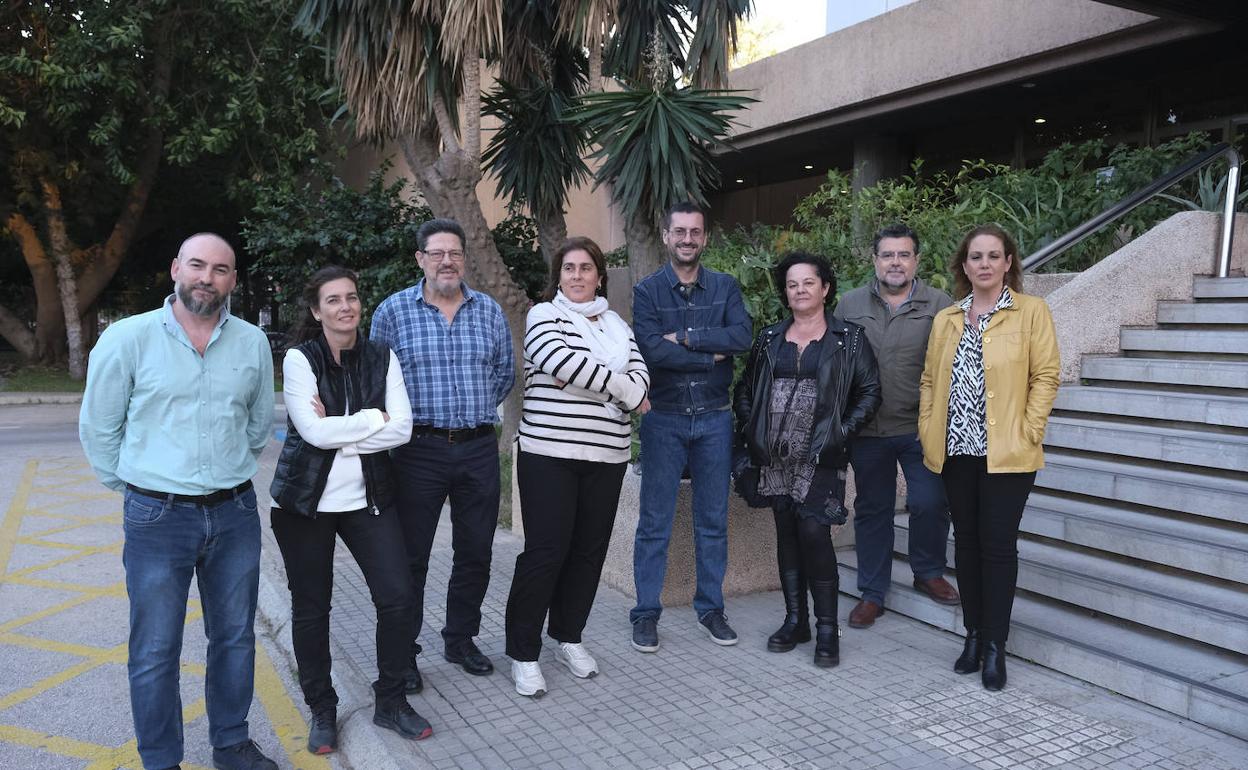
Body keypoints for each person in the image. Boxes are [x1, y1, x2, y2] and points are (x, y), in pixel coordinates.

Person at [79, 233, 278, 770]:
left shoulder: (252, 343)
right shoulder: (128, 338)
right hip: (156, 517)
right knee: (155, 650)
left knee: (234, 637)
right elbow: (99, 429)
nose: (206, 278)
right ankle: (161, 758)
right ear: (175, 269)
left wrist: (223, 472)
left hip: (234, 513)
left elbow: (257, 426)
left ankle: (231, 743)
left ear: (233, 280)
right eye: (197, 265)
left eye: (220, 269)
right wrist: (142, 488)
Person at [268, 266, 431, 749]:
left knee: (398, 596)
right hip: (305, 503)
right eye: (334, 300)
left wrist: (344, 428)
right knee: (312, 609)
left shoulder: (382, 356)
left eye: (352, 297)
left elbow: (403, 428)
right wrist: (370, 419)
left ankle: (391, 700)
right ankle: (322, 707)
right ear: (317, 311)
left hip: (368, 499)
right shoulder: (301, 358)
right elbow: (312, 433)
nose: (346, 307)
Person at [370, 218, 515, 688]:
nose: (447, 261)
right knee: (411, 558)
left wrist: (471, 414)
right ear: (420, 259)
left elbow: (503, 373)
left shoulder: (489, 311)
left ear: (464, 259)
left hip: (477, 450)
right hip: (417, 452)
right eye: (437, 253)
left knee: (475, 551)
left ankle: (460, 640)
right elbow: (377, 381)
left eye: (455, 253)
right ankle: (404, 653)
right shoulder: (393, 312)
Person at [504, 237, 651, 697]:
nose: (577, 275)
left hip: (607, 457)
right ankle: (523, 653)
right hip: (549, 454)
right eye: (569, 267)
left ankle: (568, 635)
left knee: (588, 555)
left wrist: (614, 383)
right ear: (558, 274)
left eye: (586, 267)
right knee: (545, 554)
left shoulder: (616, 324)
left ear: (600, 275)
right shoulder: (544, 316)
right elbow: (562, 363)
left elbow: (642, 371)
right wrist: (625, 392)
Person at [918, 224, 1060, 691]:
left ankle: (996, 646)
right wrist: (927, 430)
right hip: (956, 452)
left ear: (1007, 263)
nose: (984, 264)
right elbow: (930, 382)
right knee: (967, 543)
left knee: (998, 547)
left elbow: (1046, 375)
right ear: (964, 266)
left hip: (1007, 454)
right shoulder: (948, 318)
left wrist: (1030, 429)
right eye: (975, 256)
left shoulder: (1030, 312)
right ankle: (974, 636)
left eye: (993, 256)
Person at [734, 252, 881, 667]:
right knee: (786, 533)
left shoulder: (848, 339)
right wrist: (753, 428)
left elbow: (869, 391)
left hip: (821, 453)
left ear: (825, 288)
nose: (799, 290)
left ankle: (827, 630)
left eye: (808, 283)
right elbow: (745, 390)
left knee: (814, 534)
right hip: (773, 455)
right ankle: (795, 620)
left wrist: (839, 432)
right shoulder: (769, 339)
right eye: (792, 284)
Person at [630, 201, 753, 652]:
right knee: (655, 522)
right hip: (663, 419)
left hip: (715, 419)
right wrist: (711, 351)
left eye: (695, 232)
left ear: (705, 237)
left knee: (712, 521)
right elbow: (650, 352)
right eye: (679, 231)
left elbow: (741, 337)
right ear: (665, 236)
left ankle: (710, 609)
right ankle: (645, 614)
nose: (687, 239)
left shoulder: (725, 287)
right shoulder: (647, 292)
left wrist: (685, 338)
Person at [835, 224, 957, 629]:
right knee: (872, 510)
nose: (895, 262)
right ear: (874, 260)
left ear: (916, 261)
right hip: (868, 431)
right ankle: (872, 592)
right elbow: (835, 363)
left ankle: (927, 572)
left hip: (920, 426)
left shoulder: (940, 304)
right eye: (887, 255)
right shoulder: (849, 305)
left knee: (930, 502)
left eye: (904, 255)